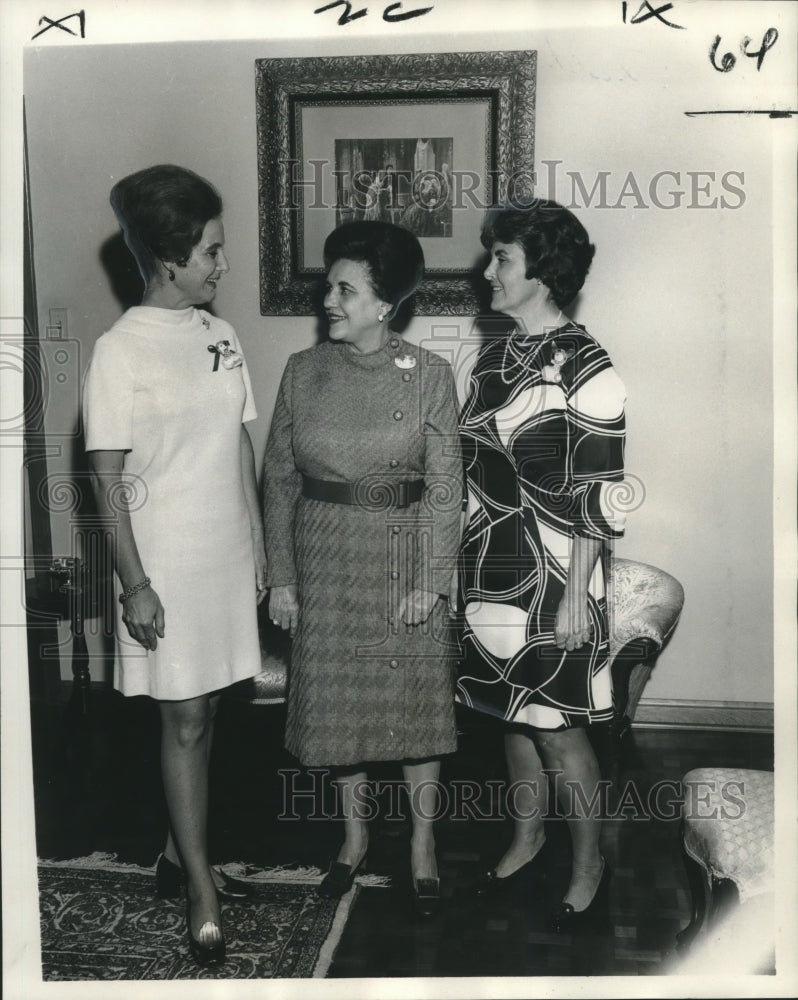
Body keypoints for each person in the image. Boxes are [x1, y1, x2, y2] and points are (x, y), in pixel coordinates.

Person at [83, 164, 267, 966]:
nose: (223, 266)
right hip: (162, 563)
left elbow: (239, 441)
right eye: (213, 252)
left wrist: (263, 545)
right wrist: (135, 584)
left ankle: (175, 851)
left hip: (225, 553)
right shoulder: (118, 351)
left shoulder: (220, 336)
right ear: (169, 257)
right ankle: (200, 887)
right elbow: (106, 480)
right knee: (184, 720)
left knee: (211, 711)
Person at [263, 220, 462, 918]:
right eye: (329, 287)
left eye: (345, 290)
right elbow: (280, 480)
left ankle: (423, 843)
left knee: (416, 711)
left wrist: (431, 581)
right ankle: (353, 839)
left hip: (403, 558)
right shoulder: (302, 372)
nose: (329, 301)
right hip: (323, 557)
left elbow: (445, 487)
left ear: (386, 303)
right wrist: (281, 575)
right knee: (339, 711)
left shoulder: (431, 376)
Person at [456, 198, 626, 932]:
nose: (487, 269)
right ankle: (526, 839)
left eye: (501, 258)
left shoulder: (589, 365)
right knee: (511, 715)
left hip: (558, 571)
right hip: (489, 562)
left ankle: (589, 863)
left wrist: (576, 596)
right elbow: (470, 473)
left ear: (543, 272)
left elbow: (597, 492)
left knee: (558, 727)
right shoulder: (494, 357)